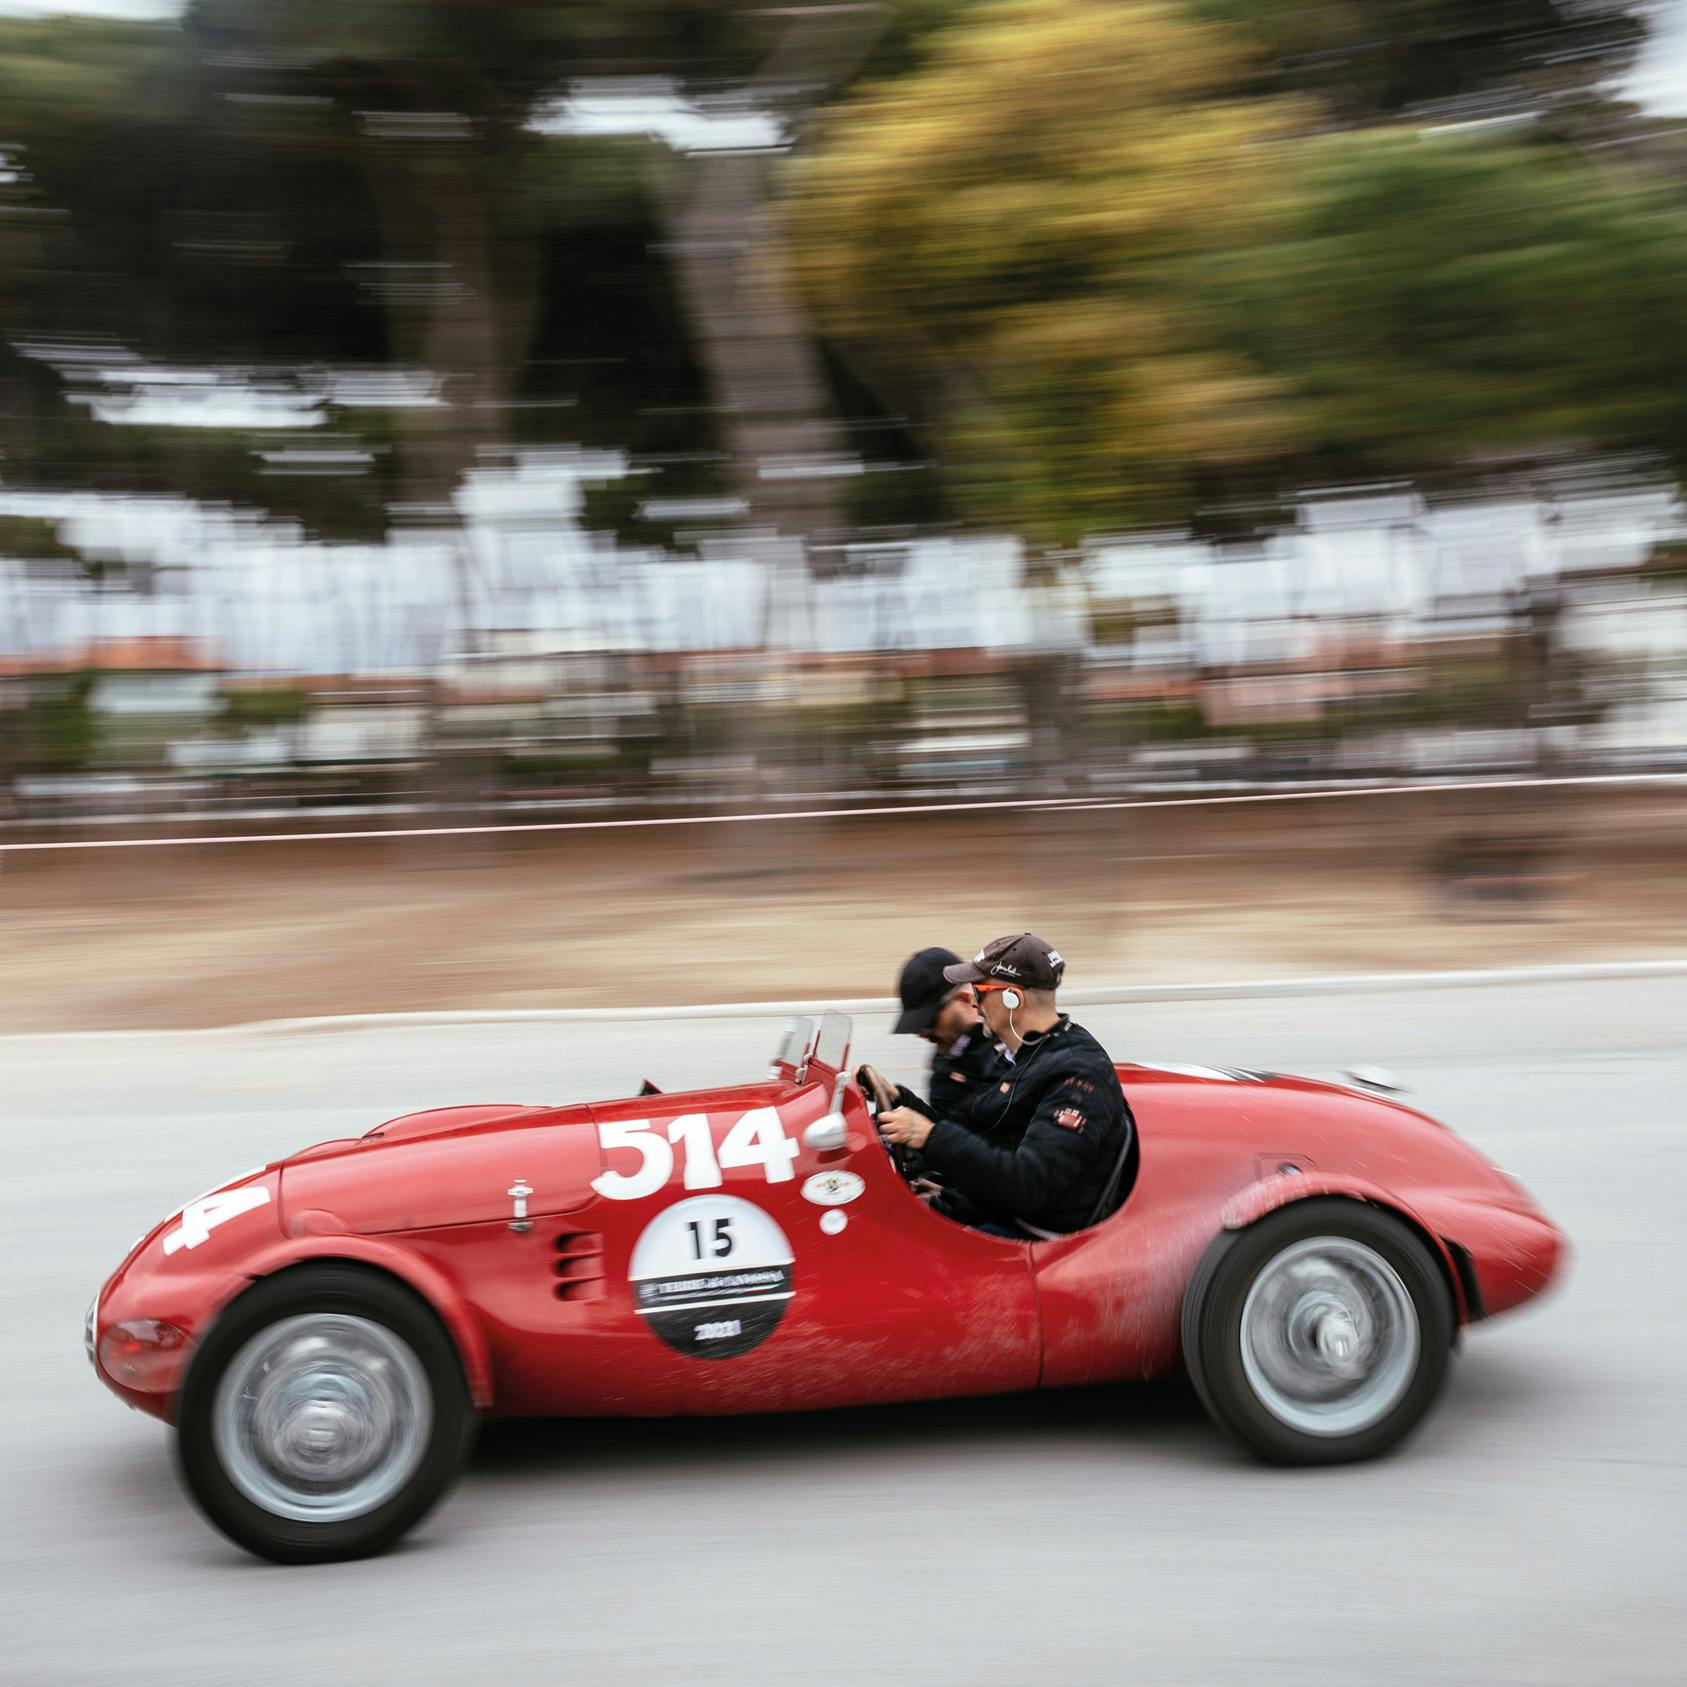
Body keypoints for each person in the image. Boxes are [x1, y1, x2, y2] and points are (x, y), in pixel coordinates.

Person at [875, 933, 1133, 1237]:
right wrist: (904, 1103)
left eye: (979, 990)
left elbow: (1029, 1184)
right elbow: (981, 1139)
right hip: (999, 1212)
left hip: (1032, 1237)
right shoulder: (1026, 1053)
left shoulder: (1077, 1073)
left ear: (1013, 997)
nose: (973, 1000)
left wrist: (929, 1136)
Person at [857, 947, 1004, 1131]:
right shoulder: (948, 1054)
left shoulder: (1005, 1054)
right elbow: (948, 1127)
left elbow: (980, 1145)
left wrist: (928, 1135)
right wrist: (895, 1097)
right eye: (918, 1025)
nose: (923, 1033)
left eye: (930, 1020)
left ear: (965, 999)